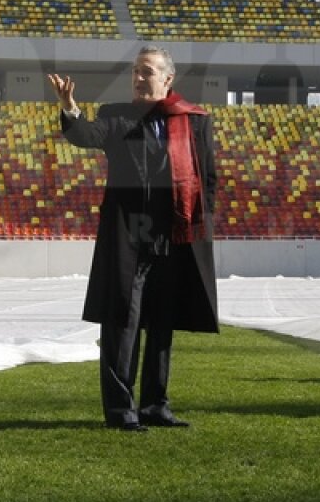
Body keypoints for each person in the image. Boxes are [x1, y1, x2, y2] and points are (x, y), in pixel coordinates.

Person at [47, 45, 218, 432]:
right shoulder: (117, 116)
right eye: (135, 72)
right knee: (122, 319)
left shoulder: (195, 122)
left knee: (163, 321)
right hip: (128, 235)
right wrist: (70, 107)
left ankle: (156, 405)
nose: (139, 78)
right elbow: (85, 134)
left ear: (168, 79)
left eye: (147, 72)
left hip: (174, 235)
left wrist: (200, 226)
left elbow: (208, 178)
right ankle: (121, 410)